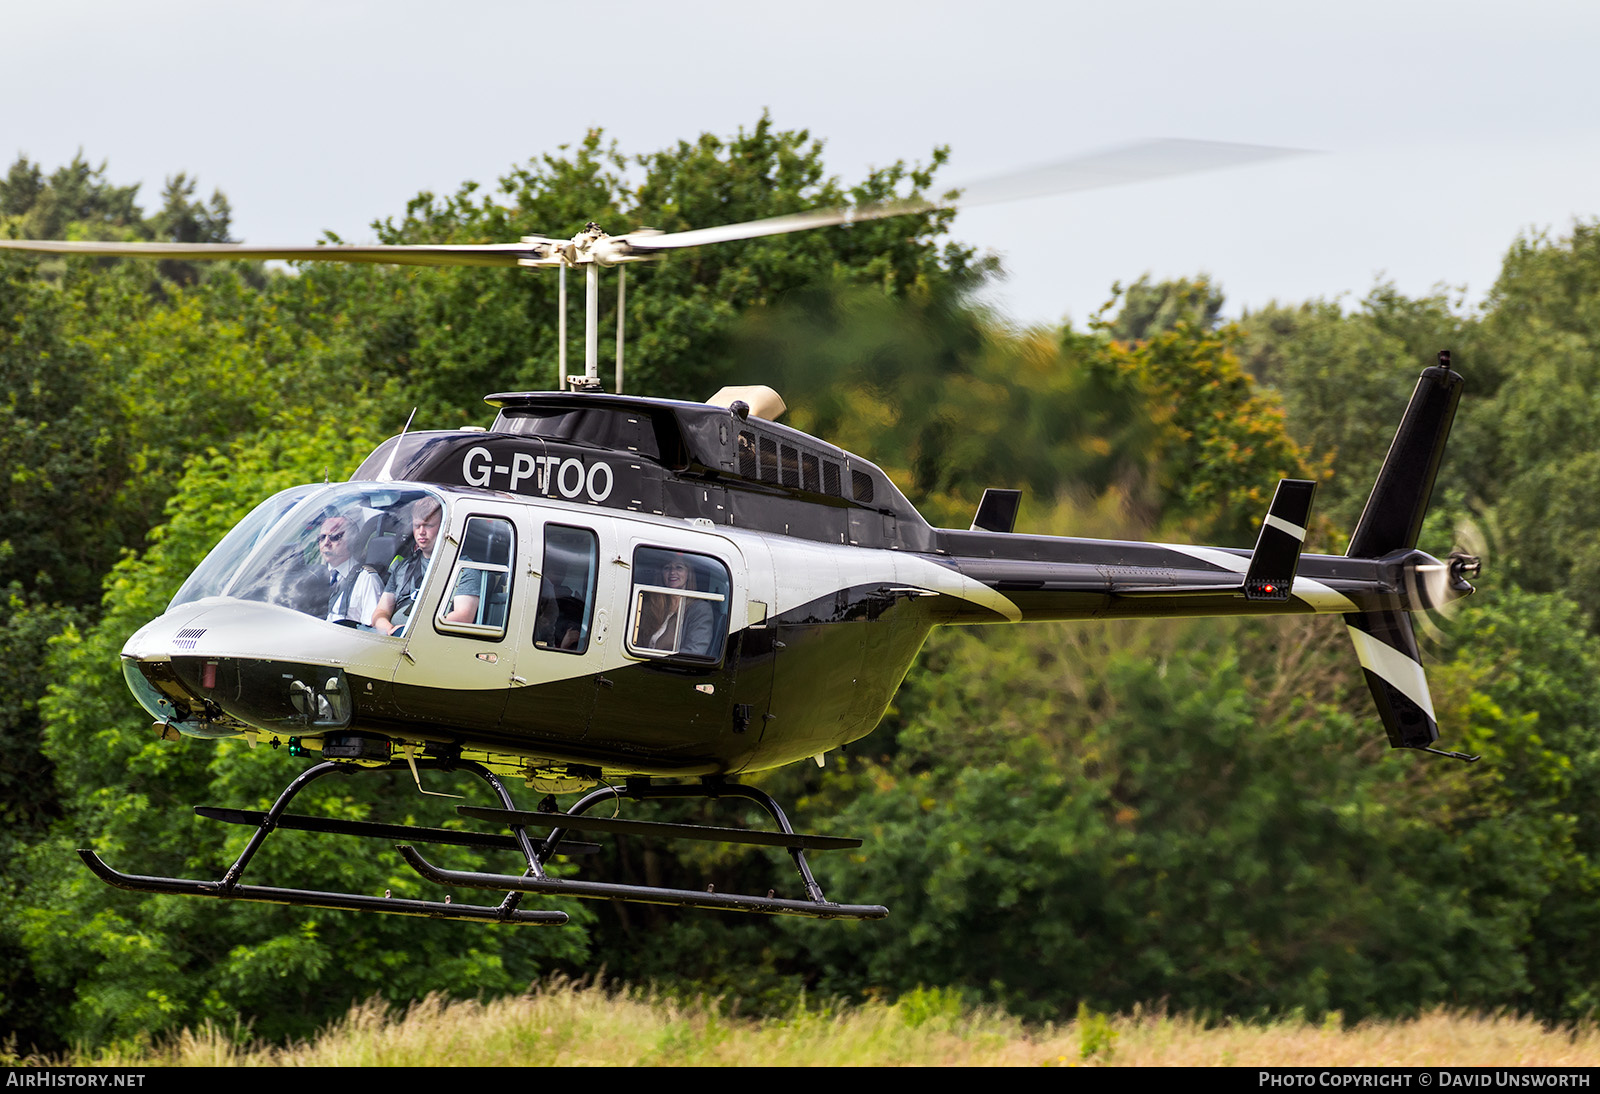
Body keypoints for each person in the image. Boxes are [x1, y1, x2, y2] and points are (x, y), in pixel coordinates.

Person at [372, 497, 443, 636]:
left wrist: (414, 632)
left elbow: (462, 615)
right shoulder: (402, 567)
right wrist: (389, 629)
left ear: (443, 526)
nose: (421, 531)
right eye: (417, 525)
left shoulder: (461, 570)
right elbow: (380, 612)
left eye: (428, 525)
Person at [636, 553, 715, 656]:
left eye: (679, 567)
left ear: (688, 574)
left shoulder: (700, 609)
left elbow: (694, 651)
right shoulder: (651, 605)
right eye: (667, 568)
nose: (672, 572)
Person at [317, 512, 383, 626]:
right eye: (322, 537)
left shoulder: (366, 579)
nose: (326, 543)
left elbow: (371, 631)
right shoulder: (315, 576)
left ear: (352, 542)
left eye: (334, 537)